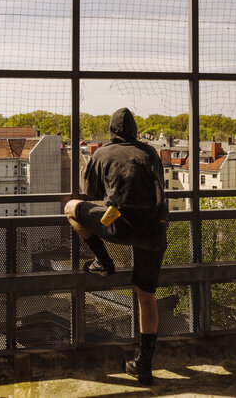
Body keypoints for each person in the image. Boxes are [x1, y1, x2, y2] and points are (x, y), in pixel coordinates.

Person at [64, 107, 168, 386]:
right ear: (135, 132)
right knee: (146, 295)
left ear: (111, 132)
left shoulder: (101, 153)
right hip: (155, 229)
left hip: (119, 223)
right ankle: (144, 365)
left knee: (71, 208)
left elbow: (93, 193)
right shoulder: (151, 153)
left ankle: (103, 260)